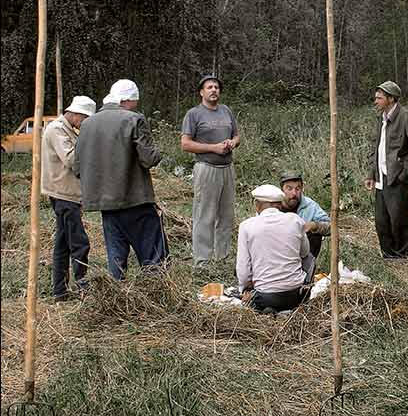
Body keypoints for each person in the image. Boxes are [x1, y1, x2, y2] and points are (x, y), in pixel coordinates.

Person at [74, 79, 167, 280]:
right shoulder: (134, 119)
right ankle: (158, 296)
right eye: (135, 102)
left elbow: (77, 167)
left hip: (106, 205)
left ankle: (115, 301)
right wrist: (159, 152)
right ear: (127, 100)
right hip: (135, 200)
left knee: (116, 259)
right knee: (154, 256)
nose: (136, 106)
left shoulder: (87, 124)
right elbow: (149, 159)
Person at [181, 74, 240, 267]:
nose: (213, 90)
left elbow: (237, 135)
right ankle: (202, 260)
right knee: (204, 215)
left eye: (216, 87)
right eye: (209, 87)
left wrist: (232, 143)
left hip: (227, 169)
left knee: (226, 215)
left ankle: (221, 257)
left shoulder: (226, 111)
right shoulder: (194, 114)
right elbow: (186, 144)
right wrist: (213, 148)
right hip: (206, 168)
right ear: (201, 92)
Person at [41, 96, 96, 301]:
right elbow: (72, 160)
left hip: (67, 193)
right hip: (62, 193)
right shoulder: (57, 130)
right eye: (84, 119)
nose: (85, 123)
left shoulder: (67, 129)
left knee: (63, 243)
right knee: (79, 242)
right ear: (75, 114)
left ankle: (60, 291)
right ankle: (83, 286)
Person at [364, 80, 408, 259]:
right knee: (381, 220)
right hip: (381, 176)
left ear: (390, 99)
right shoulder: (380, 118)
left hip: (396, 177)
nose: (376, 101)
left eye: (379, 98)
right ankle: (389, 255)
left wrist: (404, 173)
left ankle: (405, 254)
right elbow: (376, 147)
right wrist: (371, 174)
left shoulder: (406, 116)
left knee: (399, 218)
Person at [237, 184, 315, 313]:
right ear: (280, 205)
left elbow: (243, 270)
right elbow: (305, 253)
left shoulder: (246, 226)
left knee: (246, 269)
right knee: (309, 258)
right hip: (296, 295)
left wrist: (245, 289)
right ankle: (297, 300)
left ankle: (265, 307)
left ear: (257, 205)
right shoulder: (295, 220)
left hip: (264, 296)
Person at [280, 171, 329, 258]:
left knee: (315, 235)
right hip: (278, 250)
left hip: (302, 252)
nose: (294, 193)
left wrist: (314, 226)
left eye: (298, 189)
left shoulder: (309, 205)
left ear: (302, 189)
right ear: (281, 190)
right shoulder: (272, 204)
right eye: (289, 189)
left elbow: (330, 227)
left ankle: (307, 269)